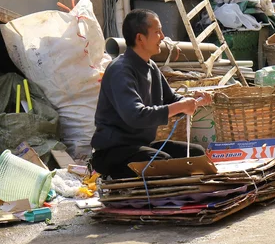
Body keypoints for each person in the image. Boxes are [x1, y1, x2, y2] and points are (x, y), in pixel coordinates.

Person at [90, 9, 212, 179]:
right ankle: (110, 177)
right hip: (113, 151)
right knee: (162, 162)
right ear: (140, 38)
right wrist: (179, 106)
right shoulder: (120, 70)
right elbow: (136, 116)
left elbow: (172, 100)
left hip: (142, 146)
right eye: (157, 32)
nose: (162, 36)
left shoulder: (151, 67)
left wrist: (193, 101)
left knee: (195, 153)